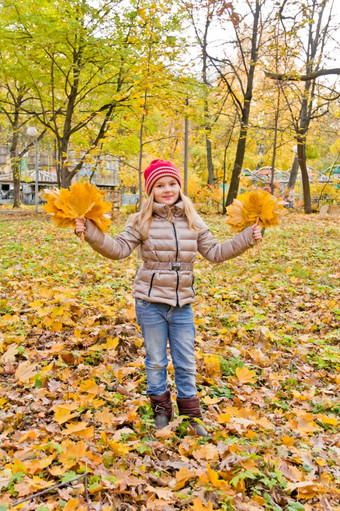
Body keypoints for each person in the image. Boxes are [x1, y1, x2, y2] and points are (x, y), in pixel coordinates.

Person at [75, 159, 262, 437]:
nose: (167, 189)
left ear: (179, 186)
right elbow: (118, 249)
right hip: (150, 302)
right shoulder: (141, 221)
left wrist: (248, 236)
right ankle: (161, 409)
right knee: (156, 360)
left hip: (182, 304)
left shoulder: (193, 221)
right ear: (151, 191)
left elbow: (215, 253)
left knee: (186, 360)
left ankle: (191, 414)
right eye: (160, 185)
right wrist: (90, 232)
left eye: (172, 183)